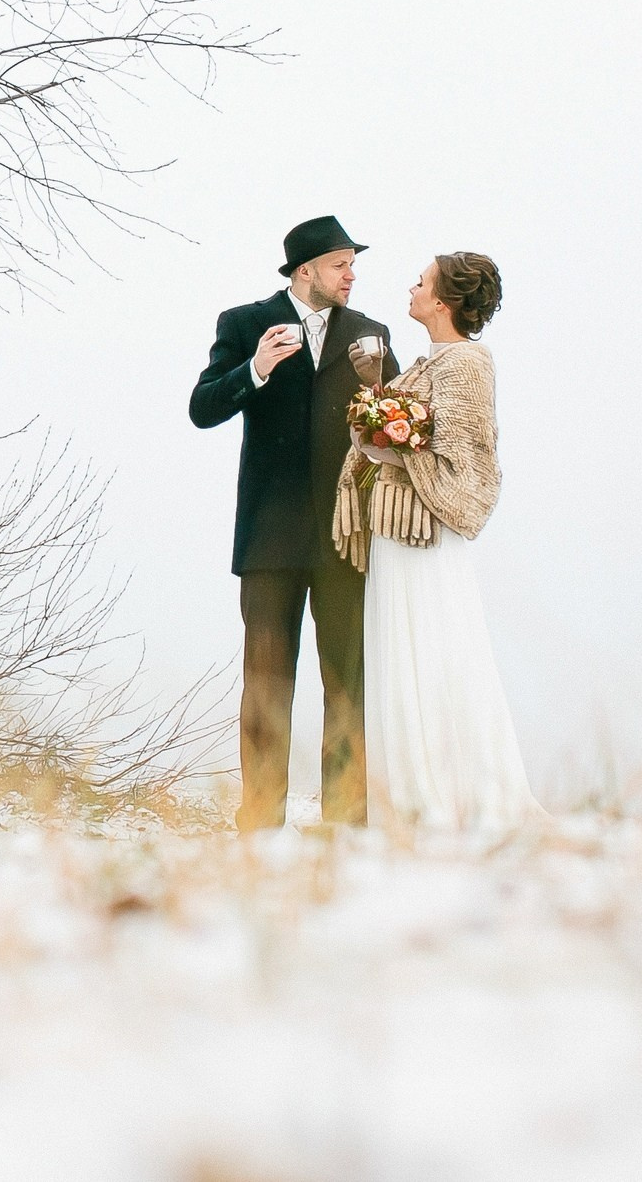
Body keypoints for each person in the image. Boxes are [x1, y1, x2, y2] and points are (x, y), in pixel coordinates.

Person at [188, 215, 401, 831]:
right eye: (341, 264)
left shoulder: (372, 334)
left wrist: (380, 390)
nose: (352, 275)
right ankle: (259, 822)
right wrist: (254, 370)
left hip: (346, 536)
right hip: (269, 538)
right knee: (266, 684)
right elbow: (202, 409)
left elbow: (394, 424)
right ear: (305, 271)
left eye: (353, 264)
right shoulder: (244, 323)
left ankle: (344, 824)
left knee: (346, 685)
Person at [335, 252, 538, 832]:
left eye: (422, 282)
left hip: (427, 535)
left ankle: (447, 792)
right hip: (395, 531)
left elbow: (465, 455)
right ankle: (403, 792)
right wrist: (374, 423)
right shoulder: (429, 363)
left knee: (437, 652)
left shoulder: (466, 365)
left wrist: (391, 441)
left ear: (444, 302)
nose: (412, 287)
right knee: (400, 653)